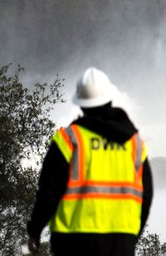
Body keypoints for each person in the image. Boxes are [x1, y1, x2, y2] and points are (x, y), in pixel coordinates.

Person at [27, 67, 153, 256]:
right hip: (120, 243)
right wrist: (131, 237)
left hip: (73, 242)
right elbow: (147, 195)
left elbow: (48, 192)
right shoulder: (134, 144)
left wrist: (35, 230)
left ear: (81, 104)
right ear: (110, 99)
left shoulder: (69, 140)